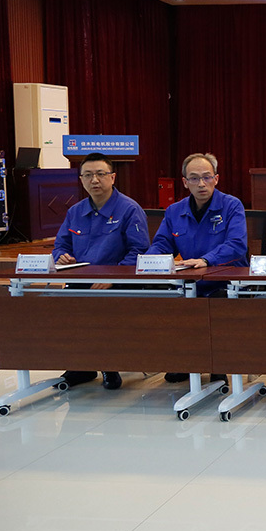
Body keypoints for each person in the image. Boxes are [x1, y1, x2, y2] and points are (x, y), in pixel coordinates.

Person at [52, 152, 149, 390]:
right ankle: (81, 365)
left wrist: (114, 277)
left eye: (100, 174)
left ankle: (108, 364)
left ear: (112, 177)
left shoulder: (129, 209)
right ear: (81, 180)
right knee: (56, 305)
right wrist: (61, 256)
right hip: (81, 281)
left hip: (119, 283)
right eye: (88, 175)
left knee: (100, 308)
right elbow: (60, 245)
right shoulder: (75, 212)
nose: (94, 180)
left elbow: (140, 251)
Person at [148, 152, 247, 385]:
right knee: (161, 299)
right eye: (194, 178)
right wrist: (149, 261)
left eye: (206, 177)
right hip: (190, 282)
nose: (201, 183)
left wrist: (207, 260)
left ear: (216, 179)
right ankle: (189, 362)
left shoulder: (232, 205)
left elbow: (237, 245)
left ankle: (218, 365)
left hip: (226, 283)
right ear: (185, 182)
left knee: (216, 305)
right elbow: (162, 244)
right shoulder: (174, 211)